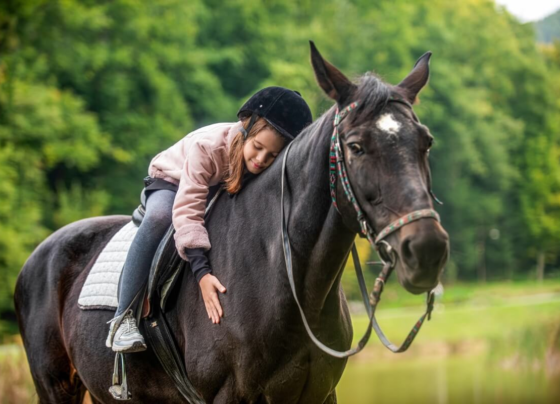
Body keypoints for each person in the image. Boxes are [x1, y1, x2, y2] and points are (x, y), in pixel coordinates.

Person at [106, 87, 313, 353]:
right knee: (160, 217)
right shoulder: (208, 148)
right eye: (258, 147)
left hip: (217, 184)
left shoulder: (262, 162)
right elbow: (188, 208)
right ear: (245, 129)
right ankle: (122, 318)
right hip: (173, 181)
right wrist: (202, 274)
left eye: (271, 156)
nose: (261, 160)